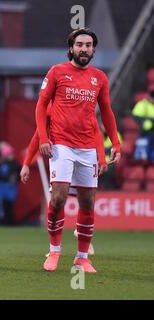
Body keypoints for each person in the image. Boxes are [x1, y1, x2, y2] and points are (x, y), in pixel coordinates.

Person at [35, 28, 120, 272]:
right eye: (80, 44)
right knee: (59, 197)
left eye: (89, 45)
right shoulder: (57, 72)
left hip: (87, 149)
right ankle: (54, 252)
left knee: (87, 202)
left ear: (93, 49)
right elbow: (41, 106)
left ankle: (82, 257)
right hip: (61, 145)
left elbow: (106, 111)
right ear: (71, 48)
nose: (84, 49)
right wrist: (43, 137)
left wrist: (115, 143)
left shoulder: (99, 78)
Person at [20, 110, 107, 255]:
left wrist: (102, 157)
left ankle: (82, 235)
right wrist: (26, 163)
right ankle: (54, 248)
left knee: (86, 199)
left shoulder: (84, 105)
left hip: (84, 154)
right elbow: (38, 135)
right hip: (62, 154)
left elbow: (96, 131)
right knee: (59, 198)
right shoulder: (51, 106)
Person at [0, 142, 20, 225]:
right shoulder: (1, 164)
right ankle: (1, 221)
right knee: (2, 205)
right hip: (2, 187)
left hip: (11, 188)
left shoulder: (15, 164)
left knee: (10, 205)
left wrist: (14, 178)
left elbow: (18, 176)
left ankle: (10, 221)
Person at [132, 83, 154, 161]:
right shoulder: (143, 104)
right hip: (146, 131)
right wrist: (145, 121)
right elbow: (135, 115)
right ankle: (143, 157)